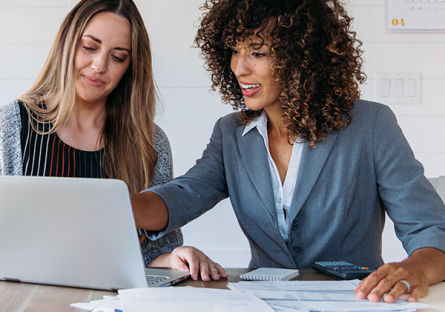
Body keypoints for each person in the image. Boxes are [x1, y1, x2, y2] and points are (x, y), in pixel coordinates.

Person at [130, 0, 445, 303]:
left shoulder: (371, 125)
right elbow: (183, 195)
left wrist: (416, 268)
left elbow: (430, 229)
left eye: (257, 52)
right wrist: (116, 205)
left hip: (353, 301)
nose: (240, 67)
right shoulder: (231, 134)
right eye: (235, 51)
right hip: (263, 301)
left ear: (302, 56)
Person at [0, 0, 226, 281]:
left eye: (118, 57)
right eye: (89, 47)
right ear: (66, 45)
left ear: (130, 67)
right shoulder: (11, 124)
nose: (99, 66)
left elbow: (149, 256)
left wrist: (176, 258)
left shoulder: (149, 142)